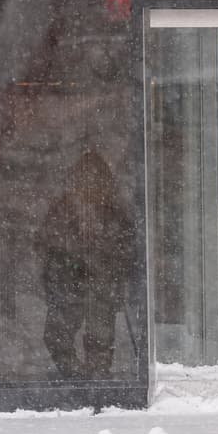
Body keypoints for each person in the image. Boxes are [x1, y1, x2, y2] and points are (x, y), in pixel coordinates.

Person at [40, 149, 132, 379]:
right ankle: (77, 377)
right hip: (69, 283)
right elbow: (46, 242)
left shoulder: (114, 214)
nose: (90, 185)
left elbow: (127, 249)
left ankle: (95, 379)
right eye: (84, 178)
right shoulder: (63, 209)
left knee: (99, 338)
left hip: (101, 284)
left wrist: (107, 264)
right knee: (58, 335)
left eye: (96, 179)